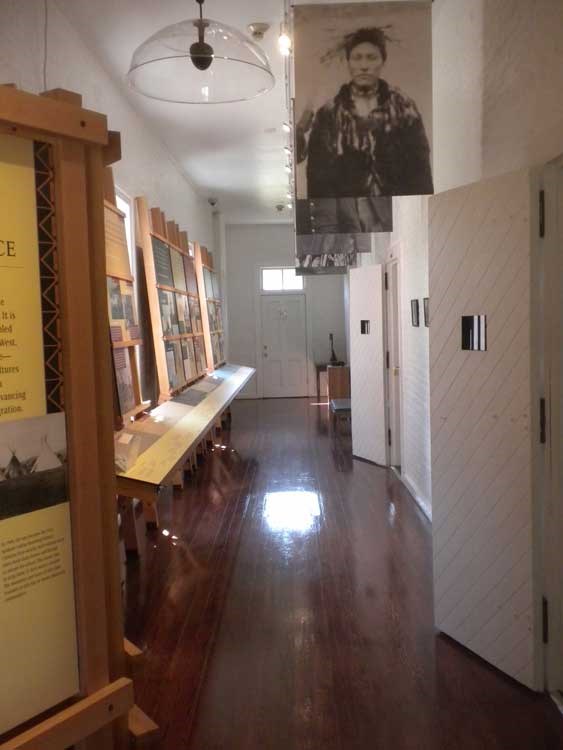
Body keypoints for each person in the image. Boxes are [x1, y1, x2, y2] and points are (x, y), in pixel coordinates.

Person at [296, 26, 433, 198]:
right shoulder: (329, 114)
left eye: (371, 58)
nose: (364, 66)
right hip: (348, 213)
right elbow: (317, 179)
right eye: (357, 58)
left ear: (383, 61)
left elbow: (420, 171)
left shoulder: (404, 109)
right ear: (348, 63)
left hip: (396, 210)